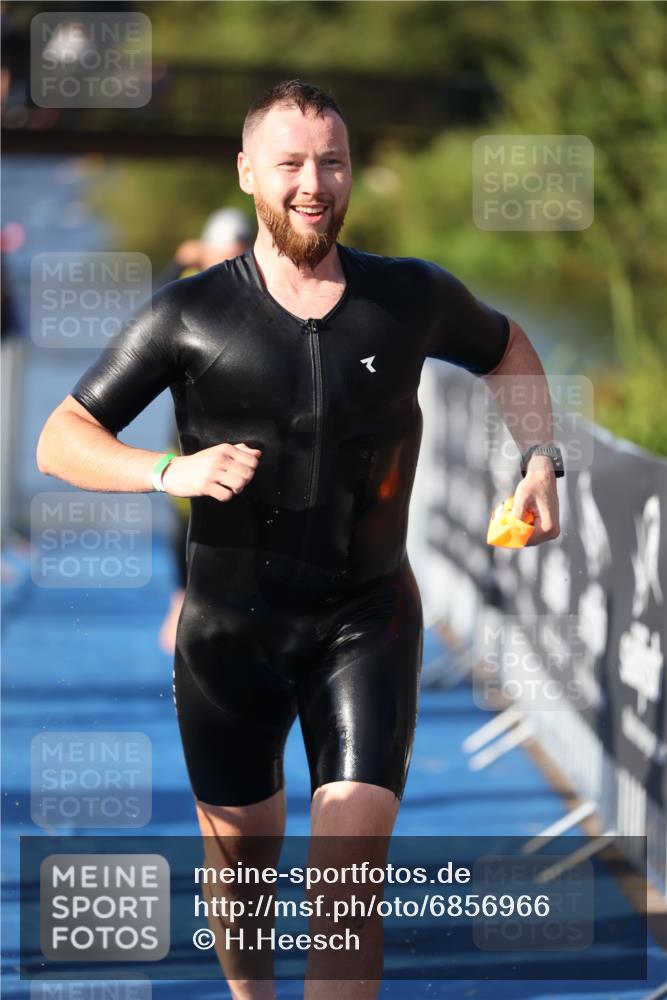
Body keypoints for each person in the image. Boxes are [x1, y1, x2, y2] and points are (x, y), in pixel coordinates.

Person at [36, 79, 561, 999]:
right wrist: (170, 473)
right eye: (289, 163)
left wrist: (541, 458)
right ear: (247, 173)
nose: (312, 183)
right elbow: (61, 438)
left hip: (366, 620)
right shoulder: (188, 314)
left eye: (331, 161)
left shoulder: (408, 297)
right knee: (243, 891)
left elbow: (508, 347)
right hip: (228, 634)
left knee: (345, 891)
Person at [154, 208, 254, 654]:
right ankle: (181, 599)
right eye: (222, 255)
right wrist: (179, 262)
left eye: (238, 255)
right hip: (192, 420)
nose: (229, 264)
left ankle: (237, 610)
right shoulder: (192, 282)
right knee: (184, 511)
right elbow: (152, 318)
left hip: (248, 418)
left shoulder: (261, 280)